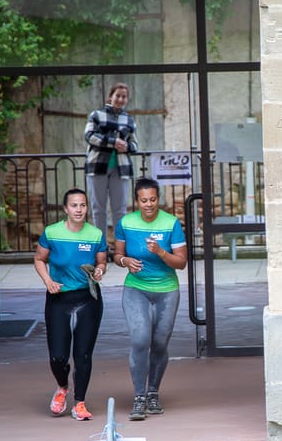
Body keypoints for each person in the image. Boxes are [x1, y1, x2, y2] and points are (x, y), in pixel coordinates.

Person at [113, 177, 187, 421]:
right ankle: (139, 396)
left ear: (158, 199)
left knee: (160, 344)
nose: (148, 204)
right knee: (140, 339)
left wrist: (161, 252)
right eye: (143, 200)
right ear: (137, 201)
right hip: (136, 289)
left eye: (153, 199)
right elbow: (117, 255)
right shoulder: (126, 223)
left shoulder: (171, 224)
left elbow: (181, 262)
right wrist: (125, 262)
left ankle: (153, 391)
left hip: (166, 290)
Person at [34, 188, 107, 421]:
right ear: (66, 209)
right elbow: (39, 259)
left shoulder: (95, 235)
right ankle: (62, 387)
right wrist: (48, 281)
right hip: (59, 298)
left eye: (83, 205)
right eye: (74, 205)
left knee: (83, 354)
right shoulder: (52, 232)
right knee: (58, 356)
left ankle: (80, 403)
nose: (79, 209)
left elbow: (102, 262)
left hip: (88, 299)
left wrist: (99, 271)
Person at [84, 82, 139, 256]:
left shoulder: (129, 119)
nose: (121, 99)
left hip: (120, 168)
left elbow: (135, 145)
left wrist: (126, 146)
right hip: (97, 166)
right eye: (118, 96)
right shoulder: (97, 115)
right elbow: (89, 136)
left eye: (124, 97)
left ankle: (119, 249)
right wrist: (113, 142)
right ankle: (101, 248)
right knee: (98, 208)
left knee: (120, 209)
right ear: (111, 97)